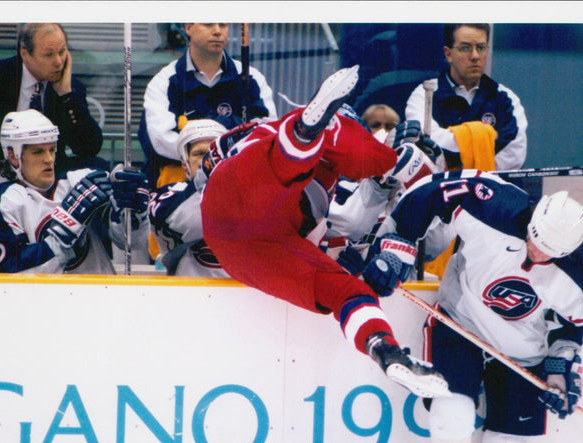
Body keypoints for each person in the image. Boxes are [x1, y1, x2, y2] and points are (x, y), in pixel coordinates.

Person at [200, 66, 450, 398]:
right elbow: (412, 186)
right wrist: (398, 240)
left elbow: (348, 223)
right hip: (254, 209)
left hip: (242, 235)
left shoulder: (272, 145)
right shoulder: (320, 139)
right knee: (294, 164)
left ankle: (386, 351)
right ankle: (307, 133)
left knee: (346, 290)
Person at [363, 176, 583, 443]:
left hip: (523, 346)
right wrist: (398, 244)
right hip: (460, 320)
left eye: (547, 252)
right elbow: (432, 193)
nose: (535, 251)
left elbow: (573, 325)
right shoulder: (495, 206)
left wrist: (561, 365)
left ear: (568, 250)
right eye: (533, 237)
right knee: (451, 415)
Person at [0, 110, 149, 274]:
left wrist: (131, 213)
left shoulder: (81, 180)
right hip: (44, 307)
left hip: (98, 297)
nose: (49, 159)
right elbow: (13, 272)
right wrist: (66, 226)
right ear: (13, 156)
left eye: (52, 150)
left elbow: (131, 243)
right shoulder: (2, 202)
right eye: (38, 152)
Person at [0, 23, 104, 184]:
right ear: (25, 53)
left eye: (62, 52)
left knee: (98, 167)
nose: (58, 62)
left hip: (43, 181)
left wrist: (66, 95)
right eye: (48, 55)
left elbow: (89, 148)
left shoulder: (70, 88)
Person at [138, 23, 277, 188]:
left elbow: (266, 134)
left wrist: (193, 132)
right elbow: (160, 141)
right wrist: (230, 128)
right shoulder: (165, 81)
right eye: (208, 24)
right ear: (188, 28)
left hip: (238, 180)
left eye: (223, 25)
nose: (217, 31)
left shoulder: (250, 77)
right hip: (179, 187)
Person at [405, 23, 527, 171]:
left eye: (481, 48)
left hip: (491, 190)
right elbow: (425, 145)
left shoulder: (506, 98)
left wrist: (455, 166)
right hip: (436, 191)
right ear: (448, 54)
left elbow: (514, 155)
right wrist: (485, 141)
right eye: (465, 48)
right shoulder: (425, 93)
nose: (475, 56)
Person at [148, 118, 229, 275]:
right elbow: (187, 220)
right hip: (190, 294)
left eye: (214, 154)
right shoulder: (168, 196)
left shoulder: (249, 195)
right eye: (199, 154)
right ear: (185, 163)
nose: (208, 161)